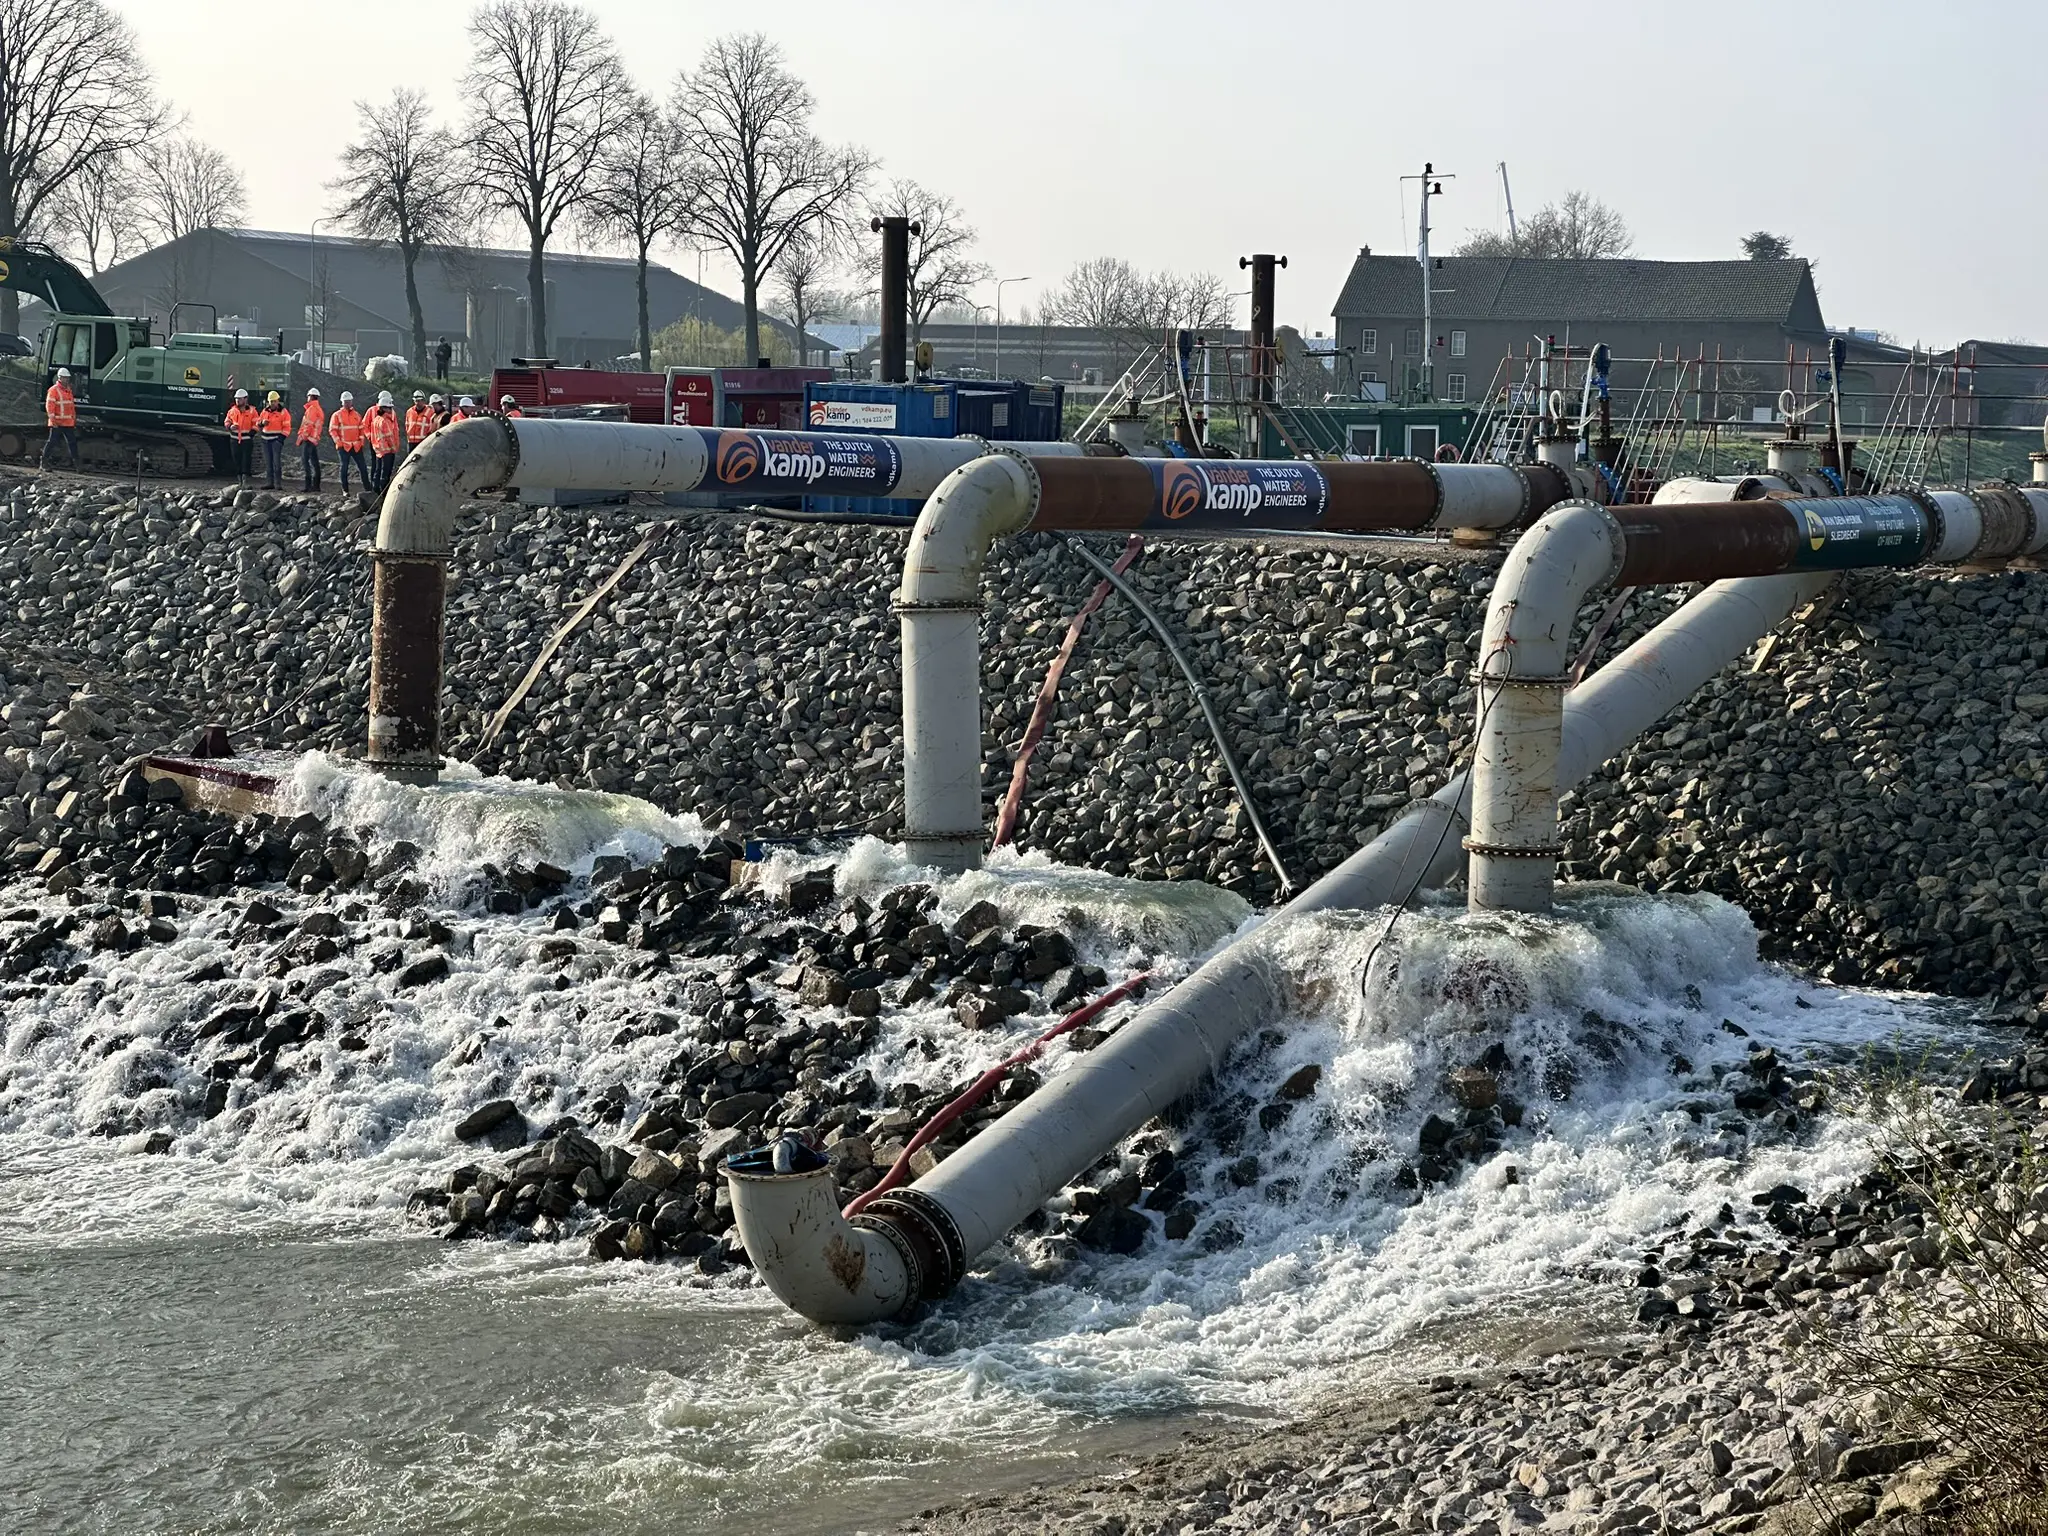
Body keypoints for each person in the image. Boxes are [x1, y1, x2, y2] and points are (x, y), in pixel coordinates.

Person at [329, 390, 368, 495]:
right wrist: (339, 443)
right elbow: (333, 430)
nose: (348, 403)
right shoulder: (337, 415)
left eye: (349, 401)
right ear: (342, 402)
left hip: (356, 446)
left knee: (363, 467)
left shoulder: (356, 415)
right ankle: (345, 490)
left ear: (352, 402)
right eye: (346, 402)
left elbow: (361, 429)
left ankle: (368, 489)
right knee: (344, 468)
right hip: (344, 446)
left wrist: (360, 442)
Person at [41, 366, 77, 471]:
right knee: (52, 442)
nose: (67, 380)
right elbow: (50, 406)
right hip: (57, 422)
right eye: (65, 378)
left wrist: (73, 418)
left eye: (68, 378)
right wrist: (53, 420)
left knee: (72, 442)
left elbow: (71, 406)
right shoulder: (53, 390)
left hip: (67, 422)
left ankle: (77, 465)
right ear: (59, 378)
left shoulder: (68, 390)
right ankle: (43, 463)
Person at [257, 390, 293, 490]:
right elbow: (258, 423)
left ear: (278, 401)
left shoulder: (283, 412)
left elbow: (287, 427)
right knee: (268, 463)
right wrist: (262, 423)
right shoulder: (265, 411)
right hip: (265, 440)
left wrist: (280, 440)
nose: (272, 403)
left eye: (274, 401)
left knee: (276, 463)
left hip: (276, 440)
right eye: (271, 401)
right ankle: (270, 483)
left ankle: (278, 484)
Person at [367, 389, 401, 491]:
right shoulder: (384, 421)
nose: (391, 410)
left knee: (378, 470)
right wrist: (394, 448)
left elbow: (373, 435)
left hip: (379, 450)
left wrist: (374, 446)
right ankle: (384, 491)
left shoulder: (376, 419)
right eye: (389, 408)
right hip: (387, 450)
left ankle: (376, 489)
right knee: (385, 473)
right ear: (384, 408)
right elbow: (389, 437)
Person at [224, 388, 257, 480]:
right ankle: (239, 478)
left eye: (240, 399)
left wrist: (252, 432)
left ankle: (245, 477)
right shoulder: (232, 411)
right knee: (236, 459)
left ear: (245, 399)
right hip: (234, 439)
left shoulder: (252, 411)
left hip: (246, 439)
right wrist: (230, 426)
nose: (237, 401)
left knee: (246, 460)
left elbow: (256, 423)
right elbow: (227, 421)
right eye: (236, 399)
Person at [297, 387, 326, 492]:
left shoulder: (312, 409)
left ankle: (308, 485)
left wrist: (302, 437)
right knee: (314, 462)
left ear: (310, 397)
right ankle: (316, 485)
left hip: (309, 439)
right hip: (314, 439)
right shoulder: (318, 409)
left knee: (306, 461)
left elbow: (308, 425)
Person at [404, 389, 433, 456]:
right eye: (416, 401)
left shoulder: (430, 412)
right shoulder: (409, 412)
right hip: (411, 442)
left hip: (423, 442)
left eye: (419, 401)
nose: (417, 403)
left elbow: (431, 428)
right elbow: (407, 425)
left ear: (423, 401)